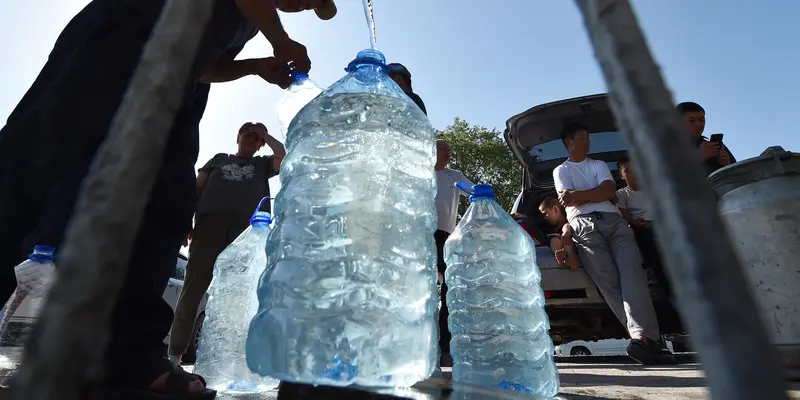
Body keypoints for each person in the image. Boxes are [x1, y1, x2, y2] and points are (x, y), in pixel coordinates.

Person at [0, 0, 336, 398]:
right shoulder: (259, 16)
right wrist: (280, 40)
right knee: (38, 170)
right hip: (119, 41)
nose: (306, 4)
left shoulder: (247, 21)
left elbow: (205, 65)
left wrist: (254, 65)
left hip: (179, 85)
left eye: (314, 5)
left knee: (164, 200)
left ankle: (126, 353)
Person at [553, 123, 670, 365]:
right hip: (583, 227)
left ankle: (642, 340)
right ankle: (649, 340)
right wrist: (592, 194)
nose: (588, 141)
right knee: (609, 283)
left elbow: (609, 191)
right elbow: (568, 200)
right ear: (569, 143)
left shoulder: (598, 165)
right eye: (583, 137)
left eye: (588, 137)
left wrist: (579, 195)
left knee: (632, 276)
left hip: (615, 222)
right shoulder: (560, 170)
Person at [168, 122, 283, 365]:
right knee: (193, 289)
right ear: (238, 136)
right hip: (209, 226)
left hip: (245, 235)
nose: (252, 139)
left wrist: (267, 135)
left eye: (257, 137)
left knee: (239, 294)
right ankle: (175, 356)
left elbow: (283, 157)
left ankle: (231, 361)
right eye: (248, 134)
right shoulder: (219, 159)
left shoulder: (262, 165)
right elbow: (196, 188)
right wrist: (185, 222)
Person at [433, 139, 473, 366]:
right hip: (422, 236)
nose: (447, 154)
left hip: (446, 237)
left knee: (448, 289)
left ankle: (445, 346)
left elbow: (473, 192)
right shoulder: (421, 175)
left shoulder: (455, 176)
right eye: (443, 151)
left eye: (449, 151)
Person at [616, 156, 672, 300]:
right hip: (642, 228)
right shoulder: (622, 194)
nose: (633, 174)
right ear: (621, 175)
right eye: (627, 171)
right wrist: (634, 222)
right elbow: (624, 214)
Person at [676, 101, 736, 175]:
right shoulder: (667, 145)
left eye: (701, 120)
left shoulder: (715, 146)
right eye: (692, 120)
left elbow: (738, 178)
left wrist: (727, 165)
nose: (698, 124)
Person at [538, 197, 580, 270]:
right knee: (554, 238)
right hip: (562, 243)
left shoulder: (568, 221)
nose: (545, 218)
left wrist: (566, 233)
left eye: (546, 214)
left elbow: (566, 226)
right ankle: (560, 256)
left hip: (569, 239)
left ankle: (571, 257)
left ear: (555, 209)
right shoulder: (552, 228)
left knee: (564, 238)